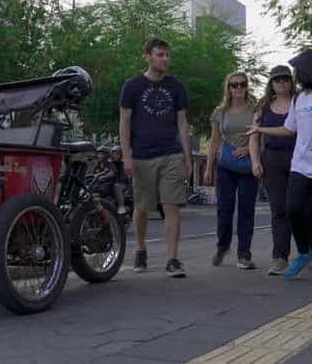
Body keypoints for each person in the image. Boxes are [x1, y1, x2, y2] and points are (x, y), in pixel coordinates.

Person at [245, 49, 312, 284]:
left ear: (307, 70)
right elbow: (289, 129)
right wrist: (260, 129)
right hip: (301, 164)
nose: (295, 74)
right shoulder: (299, 99)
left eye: (297, 70)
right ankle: (304, 252)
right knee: (292, 209)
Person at [119, 37, 192, 278]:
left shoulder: (176, 86)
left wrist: (187, 157)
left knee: (172, 205)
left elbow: (182, 123)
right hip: (142, 156)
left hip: (171, 154)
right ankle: (141, 249)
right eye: (160, 54)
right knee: (142, 208)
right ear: (148, 56)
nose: (165, 59)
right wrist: (126, 156)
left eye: (167, 55)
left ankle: (172, 259)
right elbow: (124, 122)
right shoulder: (132, 86)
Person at [204, 72, 258, 270]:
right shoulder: (220, 112)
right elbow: (214, 141)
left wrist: (249, 150)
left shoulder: (255, 110)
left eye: (242, 84)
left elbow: (261, 136)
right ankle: (222, 246)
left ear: (247, 87)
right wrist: (208, 167)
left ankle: (244, 254)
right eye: (234, 85)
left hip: (248, 165)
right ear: (228, 88)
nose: (238, 88)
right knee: (224, 209)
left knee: (246, 210)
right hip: (225, 165)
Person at [249, 65, 297, 275]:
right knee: (279, 209)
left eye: (285, 79)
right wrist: (255, 161)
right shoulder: (263, 107)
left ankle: (306, 246)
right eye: (277, 80)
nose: (282, 83)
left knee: (298, 208)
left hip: (299, 160)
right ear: (271, 84)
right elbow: (254, 136)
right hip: (272, 161)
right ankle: (280, 257)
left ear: (291, 82)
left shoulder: (299, 103)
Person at [110, 146, 129, 215]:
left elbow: (123, 177)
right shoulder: (108, 163)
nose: (115, 156)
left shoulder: (123, 164)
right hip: (109, 183)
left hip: (122, 184)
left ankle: (121, 206)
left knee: (117, 186)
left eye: (117, 154)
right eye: (113, 154)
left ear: (121, 155)